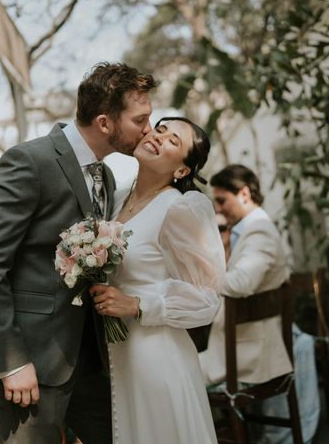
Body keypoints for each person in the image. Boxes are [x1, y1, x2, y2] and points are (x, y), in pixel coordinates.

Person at [0, 62, 156, 444]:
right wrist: (12, 360)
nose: (148, 129)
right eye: (140, 120)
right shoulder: (30, 161)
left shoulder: (107, 175)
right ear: (104, 123)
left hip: (89, 355)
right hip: (30, 357)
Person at [90, 117, 226, 444]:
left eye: (173, 141)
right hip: (112, 356)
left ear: (182, 171)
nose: (159, 137)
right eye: (161, 129)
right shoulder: (115, 197)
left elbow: (208, 299)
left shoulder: (181, 208)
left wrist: (138, 304)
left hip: (157, 360)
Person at [199, 164, 293, 387]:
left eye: (222, 201)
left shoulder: (259, 231)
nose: (218, 209)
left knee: (174, 376)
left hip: (248, 353)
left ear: (244, 194)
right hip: (237, 346)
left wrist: (197, 274)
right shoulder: (249, 230)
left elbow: (241, 283)